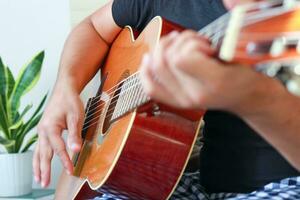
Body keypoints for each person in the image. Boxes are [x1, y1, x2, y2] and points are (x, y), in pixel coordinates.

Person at [33, 0, 300, 199]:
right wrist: (65, 86)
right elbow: (93, 27)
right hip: (187, 184)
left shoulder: (284, 18)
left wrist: (253, 97)